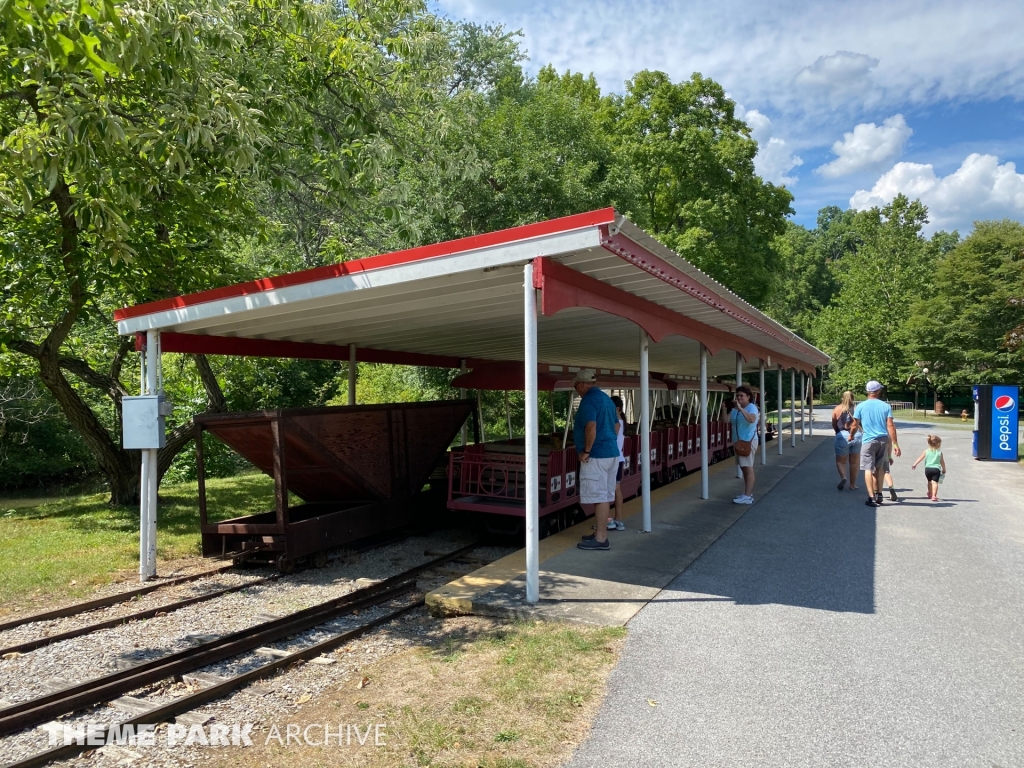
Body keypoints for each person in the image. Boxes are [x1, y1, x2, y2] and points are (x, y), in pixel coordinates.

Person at [572, 370, 620, 550]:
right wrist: (609, 441)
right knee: (605, 496)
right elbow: (616, 424)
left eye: (576, 386)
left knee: (599, 497)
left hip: (597, 457)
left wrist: (586, 450)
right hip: (611, 454)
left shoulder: (588, 401)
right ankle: (600, 533)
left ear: (582, 384)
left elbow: (590, 427)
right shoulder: (606, 399)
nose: (576, 390)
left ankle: (601, 539)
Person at [849, 380, 901, 507]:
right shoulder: (885, 406)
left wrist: (851, 435)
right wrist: (895, 444)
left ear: (868, 392)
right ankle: (880, 494)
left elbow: (855, 424)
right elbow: (891, 426)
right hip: (883, 440)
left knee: (868, 468)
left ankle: (871, 497)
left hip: (868, 440)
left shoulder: (860, 406)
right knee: (880, 468)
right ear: (878, 391)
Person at [730, 385, 759, 504]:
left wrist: (741, 409)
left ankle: (747, 496)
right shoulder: (736, 409)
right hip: (739, 442)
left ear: (748, 397)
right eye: (737, 396)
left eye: (741, 396)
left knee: (748, 468)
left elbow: (752, 419)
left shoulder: (751, 407)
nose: (739, 398)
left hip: (747, 441)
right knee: (744, 468)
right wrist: (724, 408)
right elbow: (726, 420)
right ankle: (747, 494)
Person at [831, 391, 861, 491]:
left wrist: (837, 432)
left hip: (842, 435)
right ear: (853, 397)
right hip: (856, 435)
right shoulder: (857, 409)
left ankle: (843, 477)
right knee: (854, 462)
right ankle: (852, 485)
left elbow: (834, 423)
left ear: (842, 398)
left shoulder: (837, 409)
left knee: (840, 461)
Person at [912, 435, 947, 501]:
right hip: (936, 469)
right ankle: (934, 496)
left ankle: (930, 493)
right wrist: (944, 469)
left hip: (928, 469)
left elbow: (920, 458)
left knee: (929, 482)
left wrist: (915, 464)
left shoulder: (926, 451)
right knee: (935, 483)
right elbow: (942, 462)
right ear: (938, 444)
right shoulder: (939, 453)